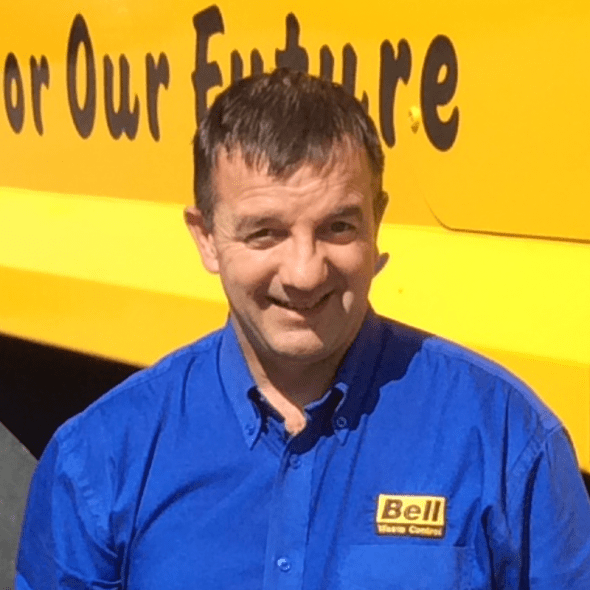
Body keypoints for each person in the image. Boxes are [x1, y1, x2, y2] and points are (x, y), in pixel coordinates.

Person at [16, 68, 590, 589]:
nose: (304, 273)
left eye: (338, 227)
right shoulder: (100, 459)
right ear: (206, 238)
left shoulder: (504, 439)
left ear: (378, 221)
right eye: (265, 233)